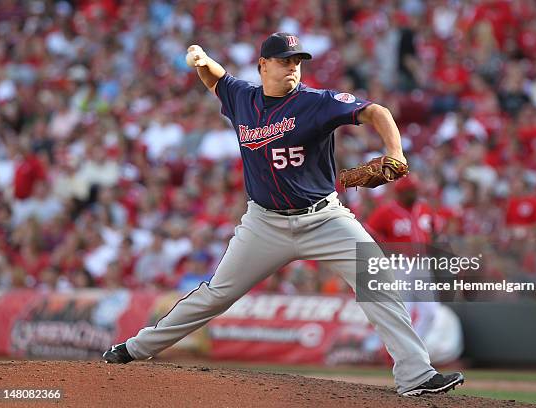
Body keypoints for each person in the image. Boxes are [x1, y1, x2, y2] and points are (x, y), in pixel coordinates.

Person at [103, 32, 463, 396]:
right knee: (215, 295)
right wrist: (200, 58)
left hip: (324, 218)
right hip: (265, 223)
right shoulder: (242, 97)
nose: (293, 67)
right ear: (263, 65)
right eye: (284, 60)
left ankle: (416, 376)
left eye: (297, 61)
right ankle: (135, 348)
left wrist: (396, 151)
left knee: (378, 281)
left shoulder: (317, 102)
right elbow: (216, 78)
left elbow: (376, 111)